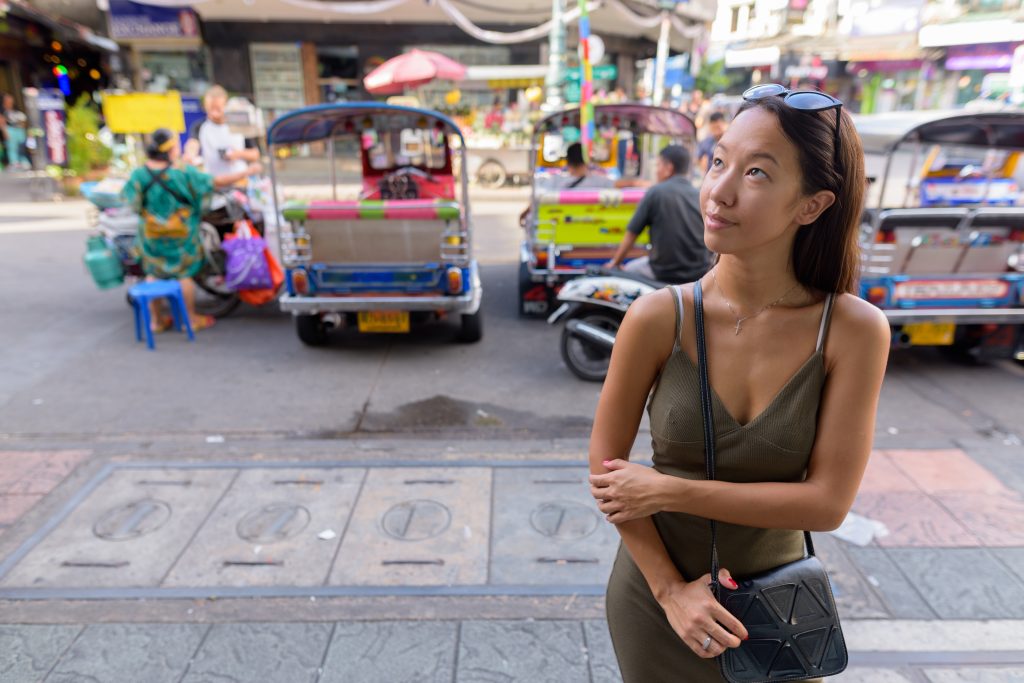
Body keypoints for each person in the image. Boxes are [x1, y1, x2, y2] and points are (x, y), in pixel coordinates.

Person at [587, 85, 890, 681]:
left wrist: (670, 490)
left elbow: (827, 504)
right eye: (718, 161)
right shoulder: (656, 317)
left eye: (755, 173)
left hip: (777, 608)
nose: (718, 192)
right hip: (656, 600)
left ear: (811, 204)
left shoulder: (853, 330)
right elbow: (607, 469)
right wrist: (672, 592)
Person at [122, 128, 261, 332]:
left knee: (153, 273)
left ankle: (157, 322)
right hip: (181, 234)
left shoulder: (139, 174)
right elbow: (215, 182)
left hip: (151, 234)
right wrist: (247, 172)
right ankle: (190, 319)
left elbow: (131, 203)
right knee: (183, 274)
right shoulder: (182, 172)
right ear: (170, 149)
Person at [605, 145, 709, 283]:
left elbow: (632, 234)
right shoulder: (699, 195)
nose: (656, 171)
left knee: (629, 269)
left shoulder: (656, 192)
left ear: (669, 168)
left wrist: (615, 264)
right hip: (698, 272)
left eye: (658, 165)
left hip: (662, 272)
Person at [182, 85, 260, 181]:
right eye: (210, 109)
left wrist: (237, 154)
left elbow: (255, 154)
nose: (214, 113)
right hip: (214, 182)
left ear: (225, 105)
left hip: (239, 181)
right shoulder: (200, 126)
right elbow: (193, 143)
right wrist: (190, 154)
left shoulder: (238, 124)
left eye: (218, 109)